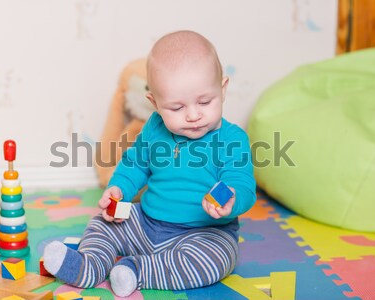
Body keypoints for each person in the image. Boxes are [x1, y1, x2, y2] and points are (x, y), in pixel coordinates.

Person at [43, 30, 256, 297]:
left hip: (204, 233)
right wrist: (119, 190)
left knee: (216, 259)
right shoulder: (154, 127)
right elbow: (135, 165)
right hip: (146, 224)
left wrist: (232, 199)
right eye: (176, 108)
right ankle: (89, 265)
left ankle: (138, 271)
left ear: (222, 89)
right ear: (155, 103)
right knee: (101, 223)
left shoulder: (232, 138)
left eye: (205, 101)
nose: (193, 115)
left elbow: (242, 183)